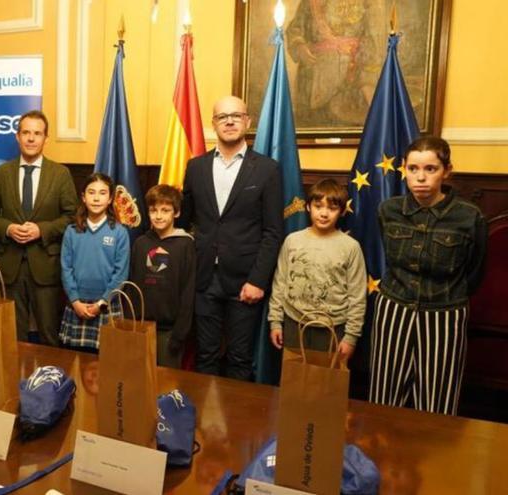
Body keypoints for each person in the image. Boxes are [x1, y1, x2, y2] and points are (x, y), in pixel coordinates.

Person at [369, 137, 487, 415]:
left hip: (444, 313)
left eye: (431, 169)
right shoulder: (388, 210)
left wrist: (446, 297)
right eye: (413, 169)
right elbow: (387, 256)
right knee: (384, 393)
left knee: (437, 398)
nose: (420, 177)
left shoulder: (469, 217)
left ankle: (433, 456)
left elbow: (475, 271)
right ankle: (381, 454)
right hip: (394, 307)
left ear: (447, 171)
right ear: (404, 170)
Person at [181, 96, 283, 381]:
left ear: (247, 122)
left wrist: (258, 281)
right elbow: (185, 221)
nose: (229, 121)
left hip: (245, 282)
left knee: (240, 359)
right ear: (213, 124)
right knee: (206, 356)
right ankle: (203, 423)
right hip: (204, 279)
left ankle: (238, 426)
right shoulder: (195, 167)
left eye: (236, 115)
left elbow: (273, 231)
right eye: (222, 116)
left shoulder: (267, 169)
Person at [0, 110, 78, 346]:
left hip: (46, 266)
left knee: (49, 334)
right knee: (12, 335)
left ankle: (51, 382)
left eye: (37, 133)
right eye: (26, 132)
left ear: (46, 138)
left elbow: (72, 216)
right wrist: (8, 228)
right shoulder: (3, 173)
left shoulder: (60, 173)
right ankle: (16, 381)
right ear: (17, 136)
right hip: (10, 266)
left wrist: (41, 230)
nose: (31, 138)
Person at [268, 179, 366, 359]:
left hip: (332, 327)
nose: (324, 213)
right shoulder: (292, 240)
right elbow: (280, 282)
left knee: (327, 382)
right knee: (294, 379)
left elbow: (357, 295)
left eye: (332, 208)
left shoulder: (351, 247)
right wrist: (275, 321)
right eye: (318, 206)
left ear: (342, 211)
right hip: (293, 323)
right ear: (308, 207)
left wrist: (351, 337)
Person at [59, 173, 129, 352]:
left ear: (110, 198)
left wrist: (101, 303)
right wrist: (74, 300)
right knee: (76, 364)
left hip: (106, 305)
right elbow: (66, 268)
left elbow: (120, 274)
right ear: (83, 197)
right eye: (91, 192)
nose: (96, 198)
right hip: (77, 305)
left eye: (102, 193)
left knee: (108, 364)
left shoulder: (119, 232)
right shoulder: (72, 231)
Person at [129, 184, 195, 368]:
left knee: (167, 384)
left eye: (165, 210)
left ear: (177, 213)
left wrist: (180, 333)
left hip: (170, 330)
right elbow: (132, 285)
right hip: (141, 326)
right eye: (153, 210)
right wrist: (131, 324)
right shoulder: (141, 243)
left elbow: (188, 291)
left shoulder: (185, 245)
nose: (158, 216)